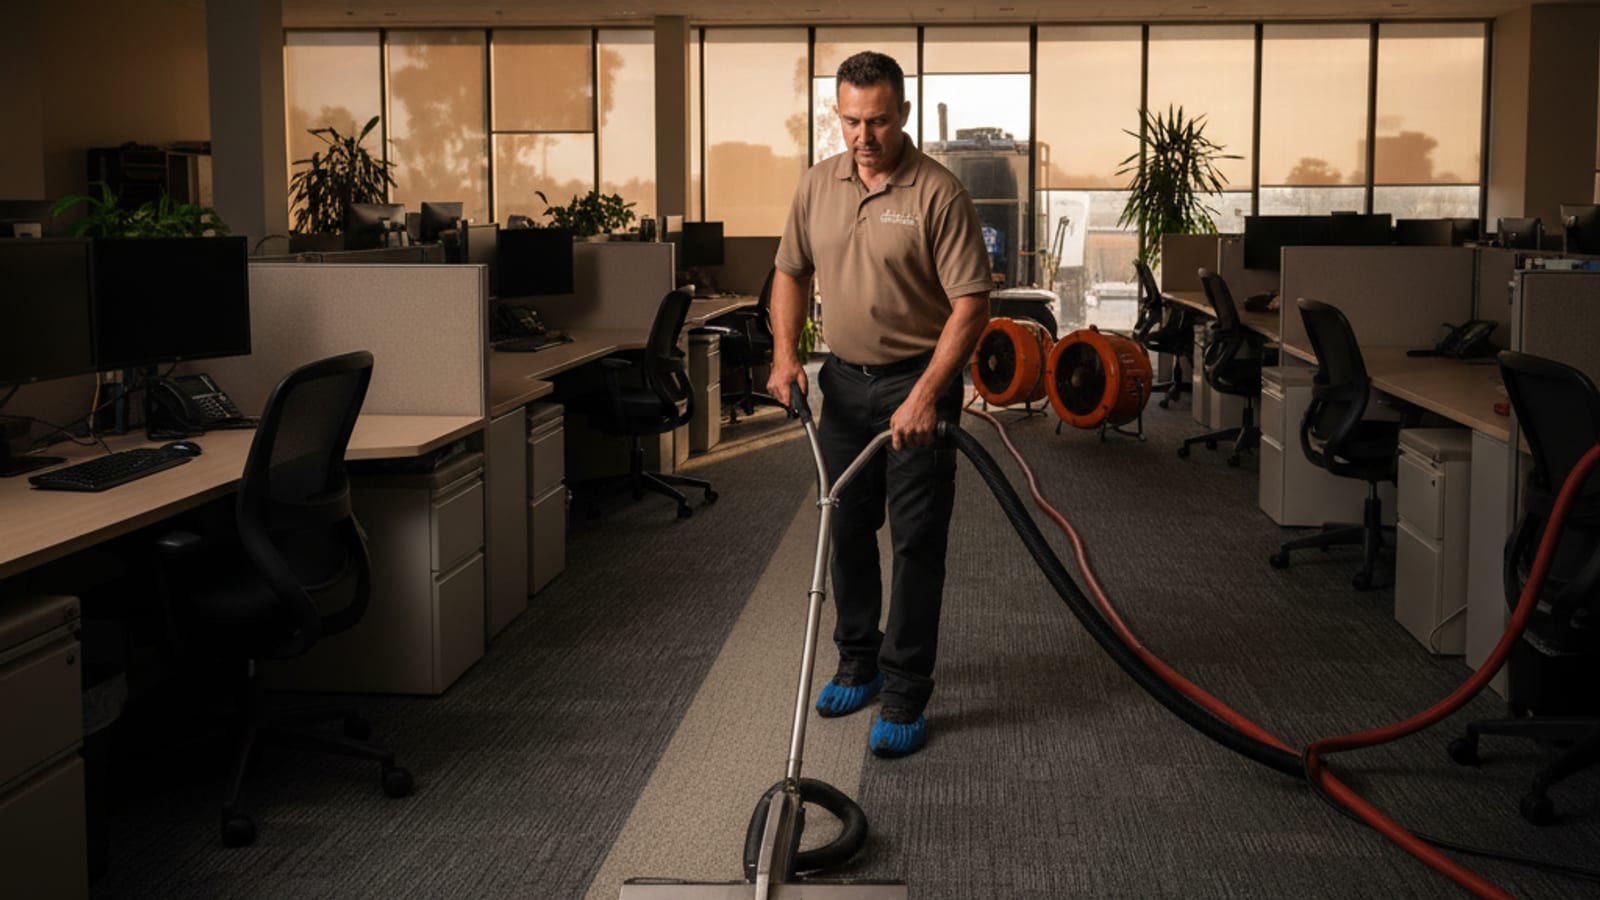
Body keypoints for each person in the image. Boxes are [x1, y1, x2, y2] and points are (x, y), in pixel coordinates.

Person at [766, 50, 993, 758]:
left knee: (916, 541)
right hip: (842, 385)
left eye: (879, 121)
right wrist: (783, 353)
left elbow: (971, 304)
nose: (864, 137)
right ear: (839, 114)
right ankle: (858, 661)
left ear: (903, 114)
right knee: (846, 526)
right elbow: (789, 272)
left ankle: (903, 689)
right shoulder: (817, 185)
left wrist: (928, 392)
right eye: (851, 121)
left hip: (916, 385)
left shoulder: (937, 192)